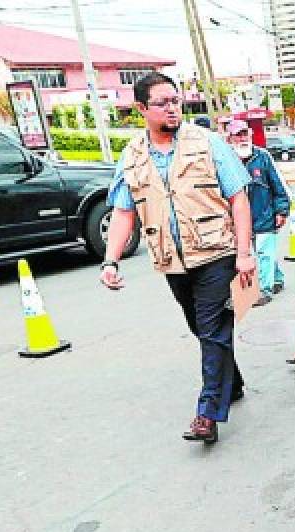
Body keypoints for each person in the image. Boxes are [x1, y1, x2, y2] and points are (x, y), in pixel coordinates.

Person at [99, 72, 253, 444]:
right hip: (172, 260)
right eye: (162, 103)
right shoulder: (132, 156)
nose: (172, 108)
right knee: (202, 329)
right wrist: (110, 260)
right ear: (141, 109)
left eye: (176, 100)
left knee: (212, 328)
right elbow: (124, 211)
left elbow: (239, 197)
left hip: (216, 253)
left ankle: (207, 413)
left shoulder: (208, 143)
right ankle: (231, 384)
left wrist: (245, 253)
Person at [227, 119, 290, 304]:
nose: (242, 138)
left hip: (264, 215)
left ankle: (263, 289)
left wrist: (281, 210)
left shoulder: (263, 157)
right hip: (241, 221)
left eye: (244, 134)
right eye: (237, 135)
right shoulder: (227, 159)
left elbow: (277, 184)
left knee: (263, 252)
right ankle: (277, 278)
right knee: (263, 252)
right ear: (230, 138)